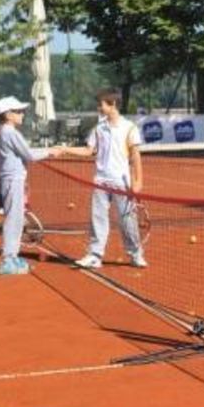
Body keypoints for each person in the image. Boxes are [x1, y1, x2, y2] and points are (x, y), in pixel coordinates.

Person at [69, 87, 147, 270]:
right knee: (98, 219)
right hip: (100, 181)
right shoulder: (99, 128)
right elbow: (89, 150)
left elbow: (135, 156)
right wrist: (65, 149)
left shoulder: (129, 128)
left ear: (112, 105)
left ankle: (135, 254)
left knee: (127, 221)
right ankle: (95, 255)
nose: (99, 107)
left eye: (101, 104)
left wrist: (138, 182)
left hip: (121, 182)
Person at [0, 96, 62, 275]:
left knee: (17, 219)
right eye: (18, 111)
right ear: (8, 115)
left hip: (14, 179)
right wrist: (51, 152)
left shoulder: (7, 132)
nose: (22, 114)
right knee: (13, 219)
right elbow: (29, 154)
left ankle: (12, 256)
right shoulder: (10, 133)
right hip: (12, 180)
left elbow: (25, 153)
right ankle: (8, 259)